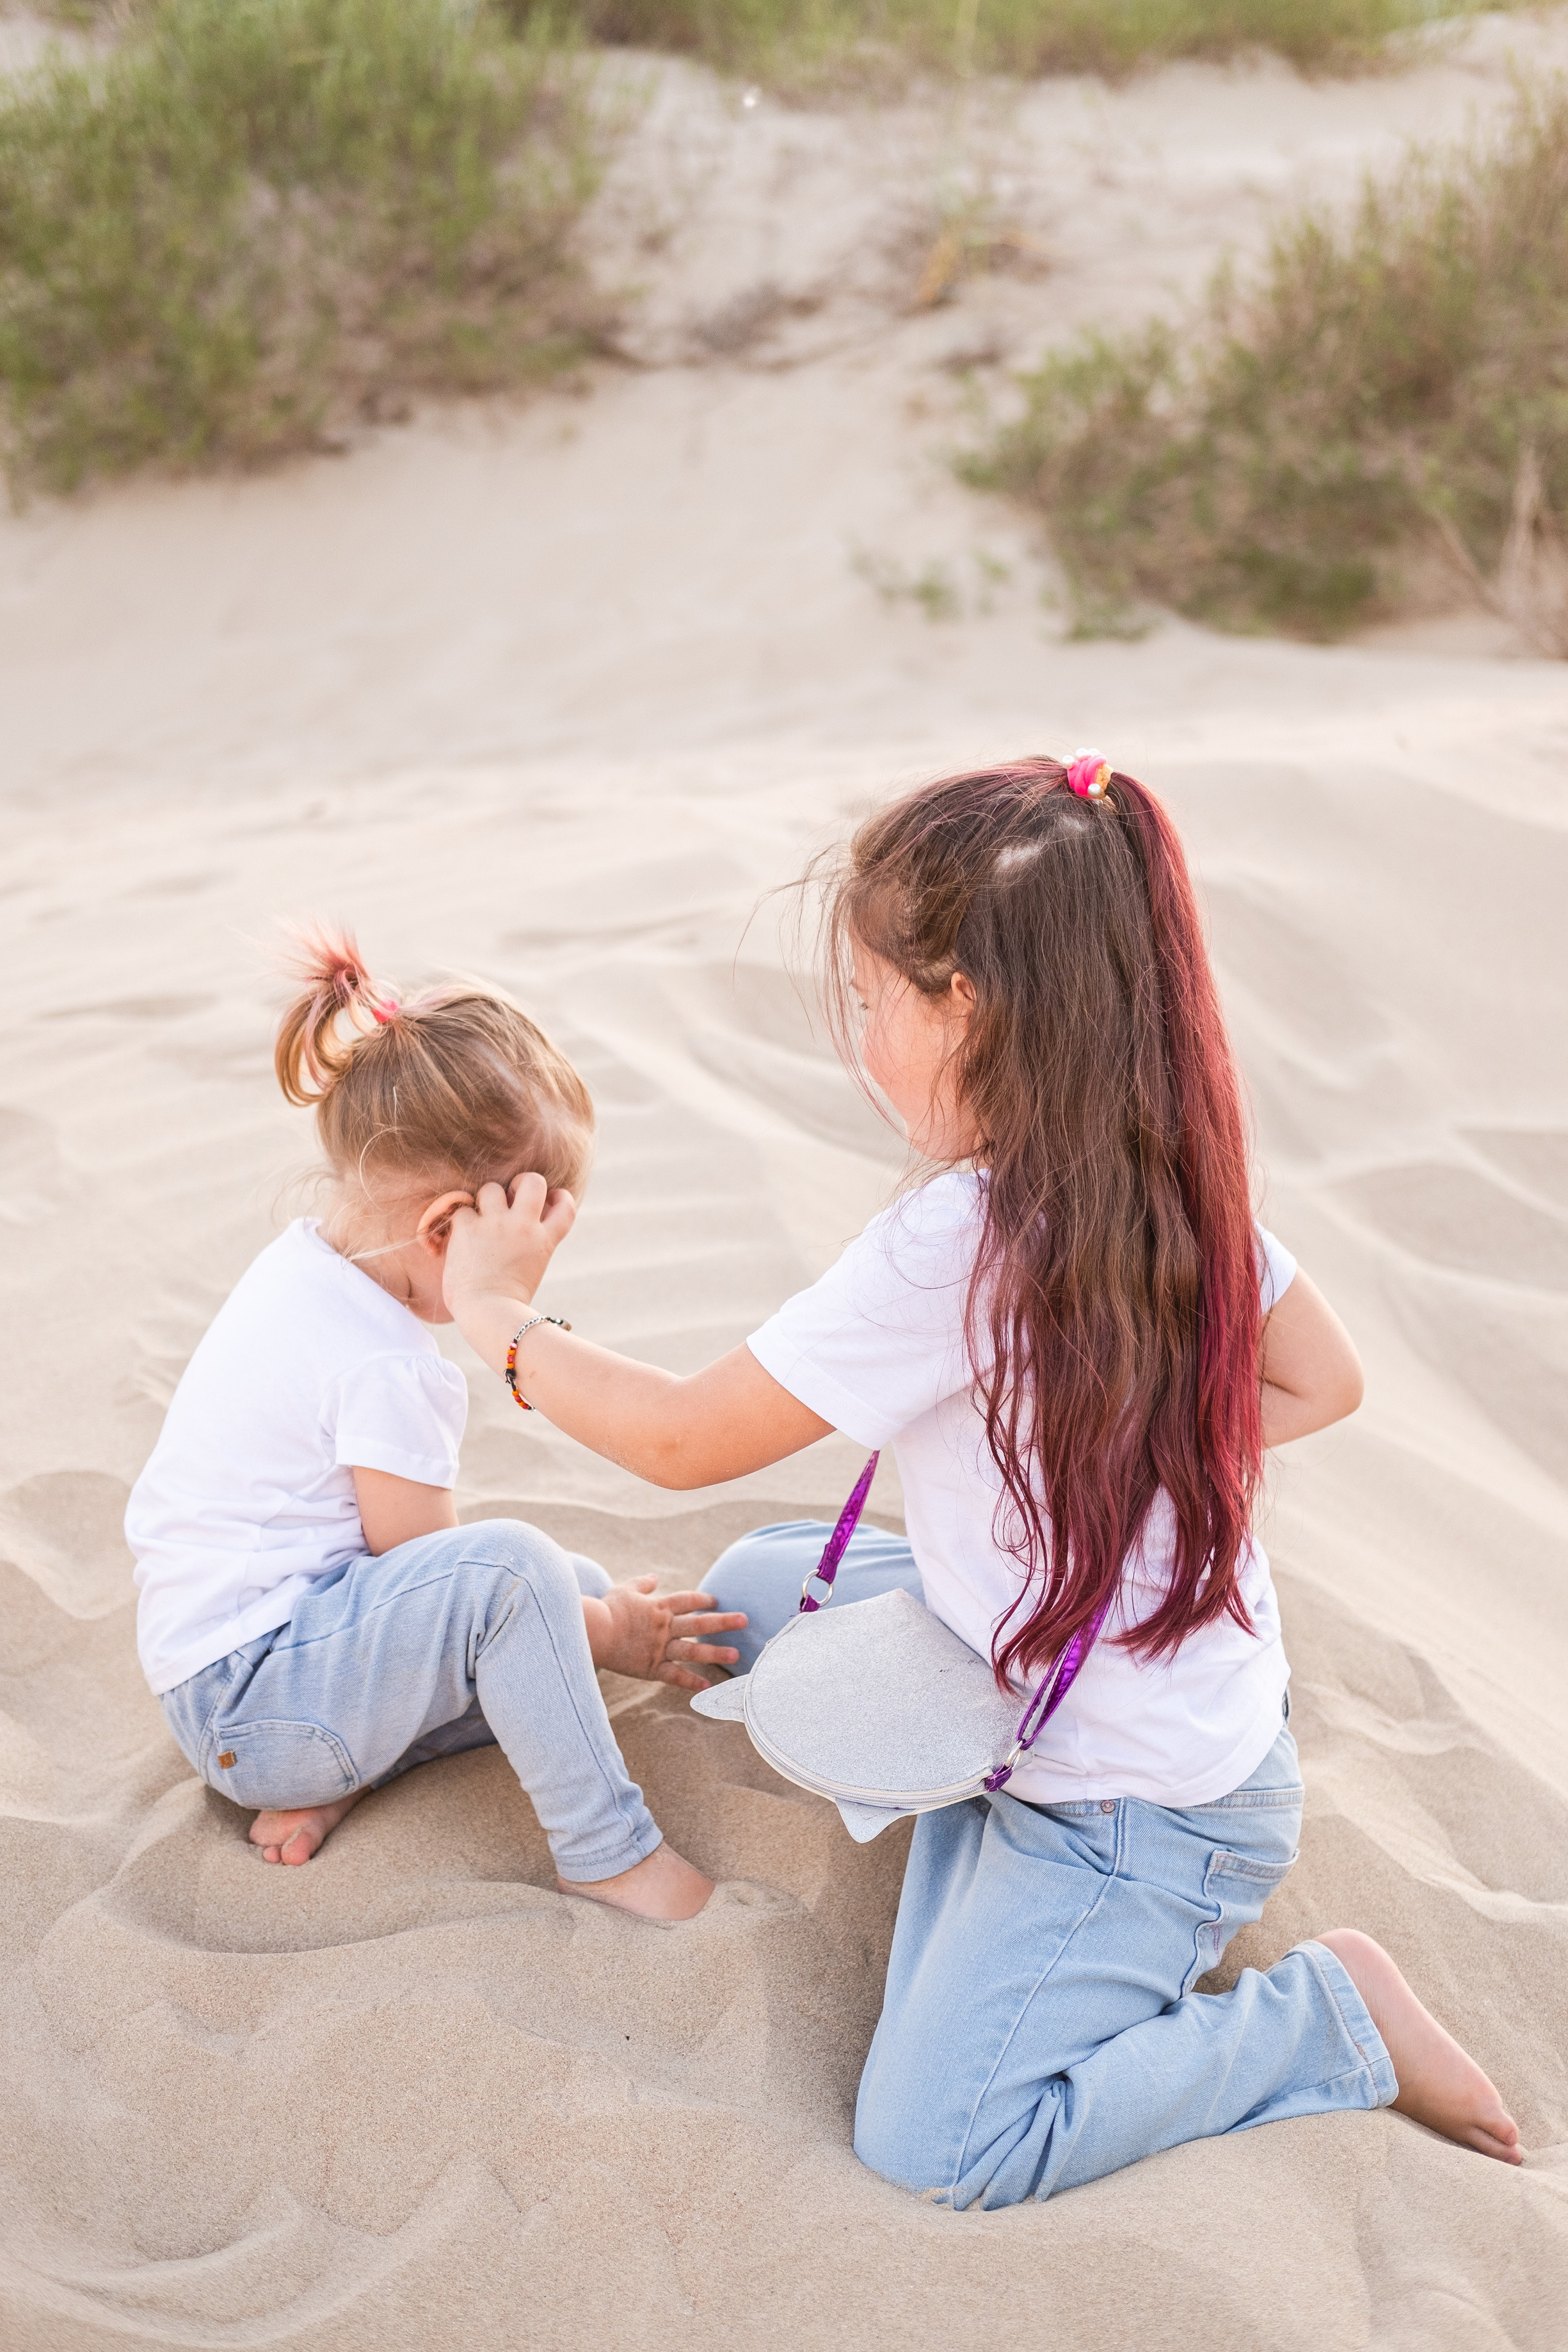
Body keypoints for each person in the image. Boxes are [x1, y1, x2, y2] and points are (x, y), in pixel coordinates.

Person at [440, 753, 1523, 2200]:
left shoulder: (955, 1240)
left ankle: (1327, 2020)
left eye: (872, 1000)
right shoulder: (1168, 1175)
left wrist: (498, 1319)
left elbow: (682, 1439)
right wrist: (1123, 1444)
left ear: (968, 1005)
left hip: (1137, 1808)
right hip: (1132, 1679)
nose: (862, 1039)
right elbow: (1324, 1381)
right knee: (757, 1588)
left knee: (940, 2145)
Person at [124, 932, 744, 1920]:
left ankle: (346, 1773)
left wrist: (586, 1615)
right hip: (260, 1706)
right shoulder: (389, 1363)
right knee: (524, 1582)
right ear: (449, 1229)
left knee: (568, 1585)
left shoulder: (301, 1270)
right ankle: (608, 1852)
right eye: (529, 1247)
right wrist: (610, 1635)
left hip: (225, 1691)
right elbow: (428, 1566)